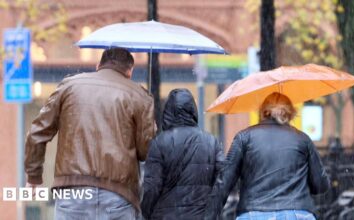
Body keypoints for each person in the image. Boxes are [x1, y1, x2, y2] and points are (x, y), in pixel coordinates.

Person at [24, 48, 156, 219]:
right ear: (130, 71)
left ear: (98, 65)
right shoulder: (138, 95)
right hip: (118, 194)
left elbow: (37, 133)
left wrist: (34, 177)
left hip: (72, 192)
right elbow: (146, 150)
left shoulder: (69, 86)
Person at [205, 92, 330, 220]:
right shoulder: (303, 139)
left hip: (253, 213)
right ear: (291, 112)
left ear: (263, 112)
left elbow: (224, 182)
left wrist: (210, 215)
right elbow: (320, 186)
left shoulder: (244, 137)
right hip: (297, 213)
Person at [141, 88, 224, 220]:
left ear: (168, 112)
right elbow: (221, 182)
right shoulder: (211, 142)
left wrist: (145, 213)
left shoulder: (160, 143)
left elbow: (152, 187)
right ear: (193, 110)